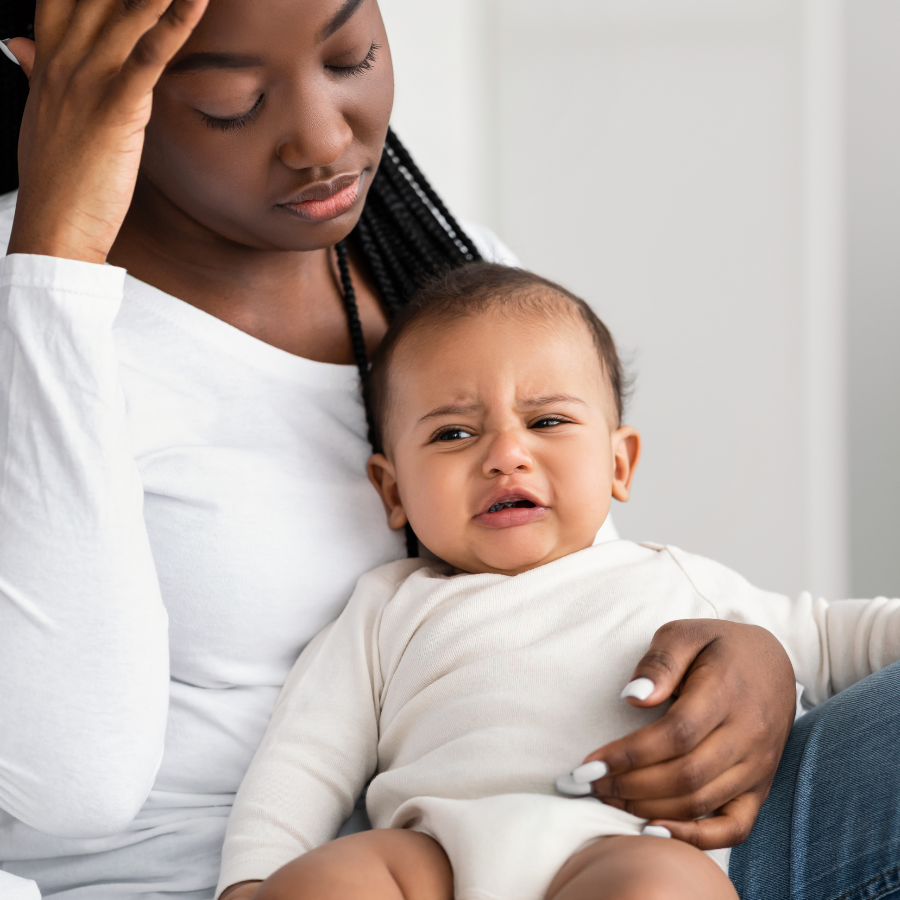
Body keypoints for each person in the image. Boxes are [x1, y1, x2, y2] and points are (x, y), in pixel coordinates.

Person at [0, 1, 838, 898]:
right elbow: (73, 786)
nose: (323, 141)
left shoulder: (433, 262)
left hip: (592, 848)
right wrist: (54, 270)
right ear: (49, 70)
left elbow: (565, 581)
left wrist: (758, 661)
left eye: (351, 56)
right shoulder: (35, 312)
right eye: (233, 101)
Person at [212, 264, 900, 900]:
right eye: (453, 434)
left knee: (665, 886)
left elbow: (836, 635)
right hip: (432, 857)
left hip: (623, 846)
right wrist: (251, 880)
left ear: (618, 463)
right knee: (325, 883)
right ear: (392, 490)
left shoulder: (672, 579)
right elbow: (305, 755)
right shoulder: (389, 605)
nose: (506, 455)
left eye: (547, 421)